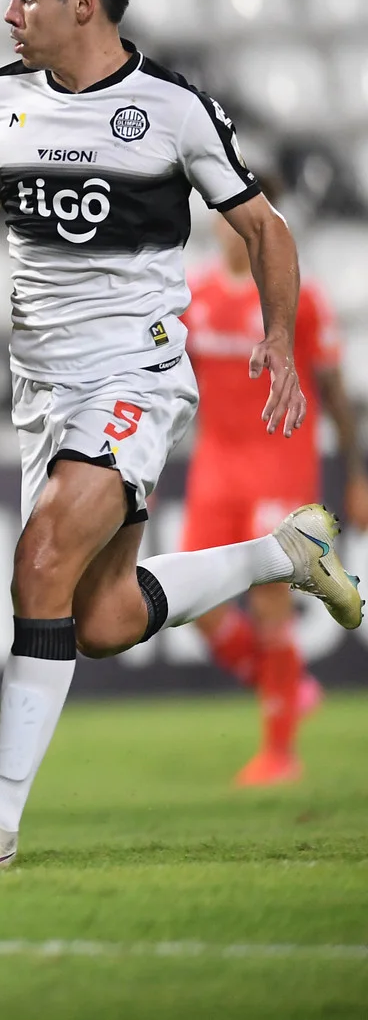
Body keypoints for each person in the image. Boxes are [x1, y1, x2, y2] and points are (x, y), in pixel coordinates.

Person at [0, 0, 361, 873]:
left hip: (134, 374)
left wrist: (275, 334)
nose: (7, 9)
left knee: (39, 558)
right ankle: (286, 552)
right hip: (41, 392)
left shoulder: (171, 111)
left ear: (82, 3)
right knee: (95, 619)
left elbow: (263, 228)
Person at [183, 194, 368, 785]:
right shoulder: (194, 296)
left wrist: (358, 475)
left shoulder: (299, 299)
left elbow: (337, 393)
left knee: (268, 602)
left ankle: (279, 752)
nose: (231, 225)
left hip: (279, 465)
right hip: (215, 466)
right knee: (195, 606)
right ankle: (284, 685)